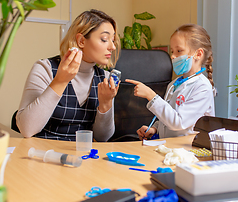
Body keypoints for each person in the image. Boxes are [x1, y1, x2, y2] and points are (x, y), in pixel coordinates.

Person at [16, 9, 121, 141]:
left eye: (113, 40)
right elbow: (26, 129)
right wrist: (60, 81)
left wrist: (106, 104)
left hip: (82, 156)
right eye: (105, 39)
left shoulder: (105, 78)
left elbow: (102, 138)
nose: (112, 46)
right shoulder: (45, 69)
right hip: (42, 154)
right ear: (81, 41)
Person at [126, 24, 215, 139]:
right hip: (172, 147)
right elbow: (168, 116)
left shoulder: (202, 87)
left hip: (189, 150)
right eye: (172, 51)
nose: (173, 56)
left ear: (198, 54)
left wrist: (151, 95)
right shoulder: (174, 85)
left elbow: (178, 122)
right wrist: (155, 128)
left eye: (179, 51)